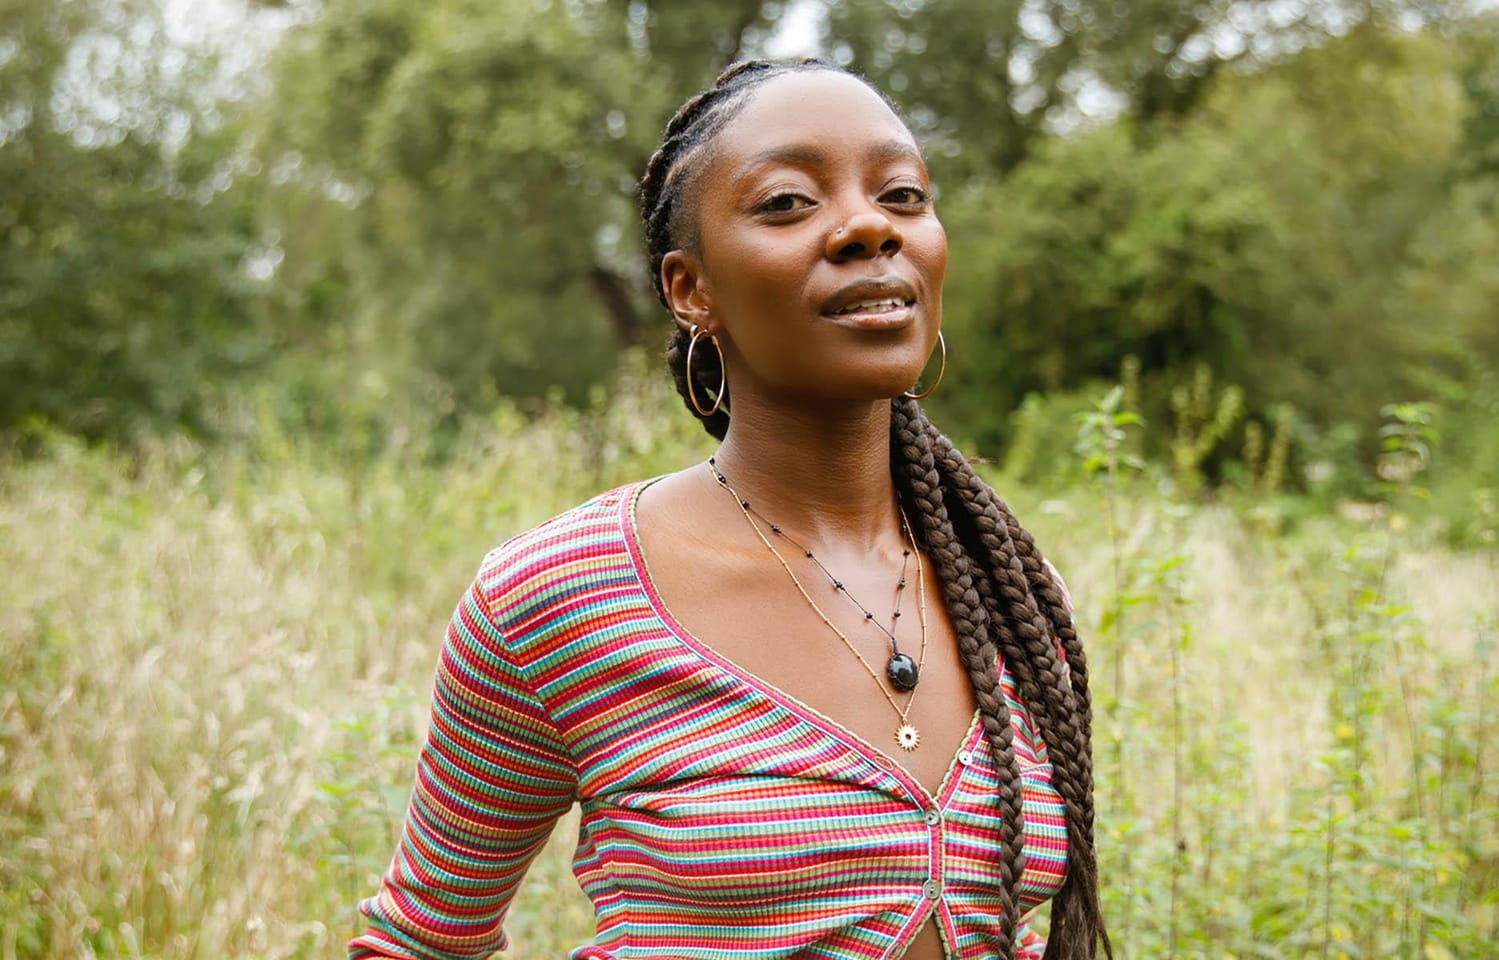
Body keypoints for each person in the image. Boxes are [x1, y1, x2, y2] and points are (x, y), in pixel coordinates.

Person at [348, 59, 1109, 960]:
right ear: (690, 289)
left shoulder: (1012, 597)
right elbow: (422, 941)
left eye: (903, 195)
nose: (869, 225)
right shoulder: (560, 597)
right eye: (788, 202)